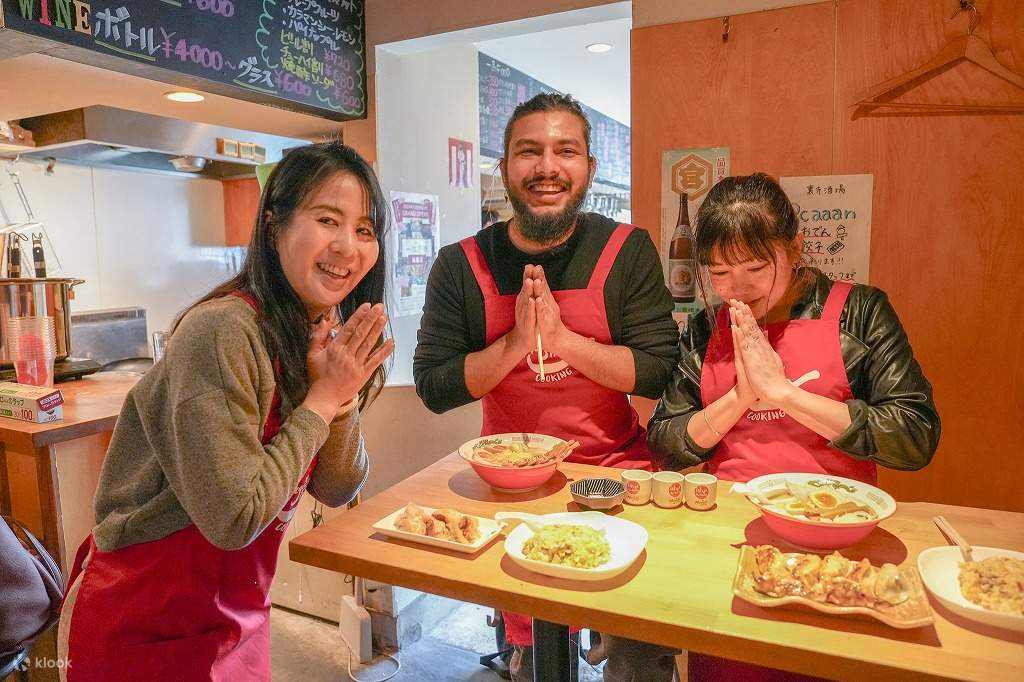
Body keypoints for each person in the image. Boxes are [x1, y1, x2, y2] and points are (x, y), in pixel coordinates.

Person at [57, 143, 395, 682]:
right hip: (141, 621)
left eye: (365, 229)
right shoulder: (221, 332)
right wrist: (323, 399)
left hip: (238, 618)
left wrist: (341, 394)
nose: (346, 246)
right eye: (327, 219)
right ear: (273, 227)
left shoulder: (311, 333)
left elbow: (337, 487)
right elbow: (234, 518)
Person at [414, 93, 680, 682]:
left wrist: (563, 343)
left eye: (566, 151)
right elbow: (435, 386)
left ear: (589, 168)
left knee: (638, 658)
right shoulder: (460, 264)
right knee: (538, 661)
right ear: (504, 167)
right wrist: (514, 345)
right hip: (512, 492)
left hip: (617, 481)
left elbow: (661, 368)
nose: (547, 167)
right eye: (528, 151)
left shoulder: (625, 249)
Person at [647, 172, 940, 680]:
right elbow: (666, 440)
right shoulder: (703, 328)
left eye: (757, 266)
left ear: (797, 246)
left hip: (840, 543)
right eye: (718, 272)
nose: (737, 289)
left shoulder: (861, 312)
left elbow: (915, 435)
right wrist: (740, 398)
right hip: (728, 539)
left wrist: (785, 394)